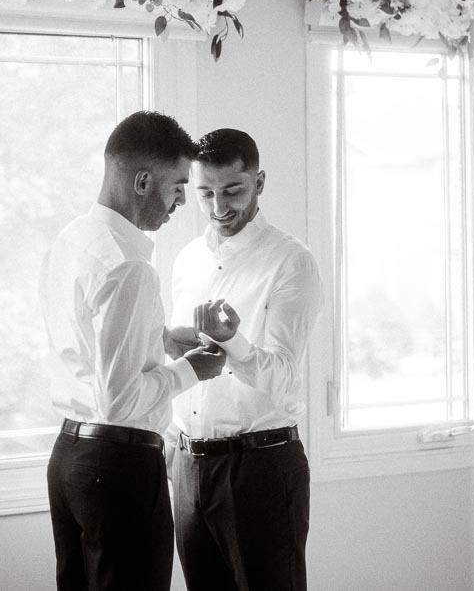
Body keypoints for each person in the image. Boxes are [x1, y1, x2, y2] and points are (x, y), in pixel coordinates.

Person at [40, 110, 227, 591]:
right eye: (179, 185)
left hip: (70, 460)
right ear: (143, 181)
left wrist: (160, 337)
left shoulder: (74, 239)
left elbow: (88, 341)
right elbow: (120, 401)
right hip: (117, 468)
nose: (183, 201)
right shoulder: (129, 267)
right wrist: (192, 370)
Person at [166, 128, 324, 590]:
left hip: (261, 469)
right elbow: (190, 361)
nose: (219, 207)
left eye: (232, 190)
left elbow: (286, 378)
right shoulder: (188, 259)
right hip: (188, 464)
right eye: (205, 193)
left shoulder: (291, 261)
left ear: (260, 182)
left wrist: (233, 340)